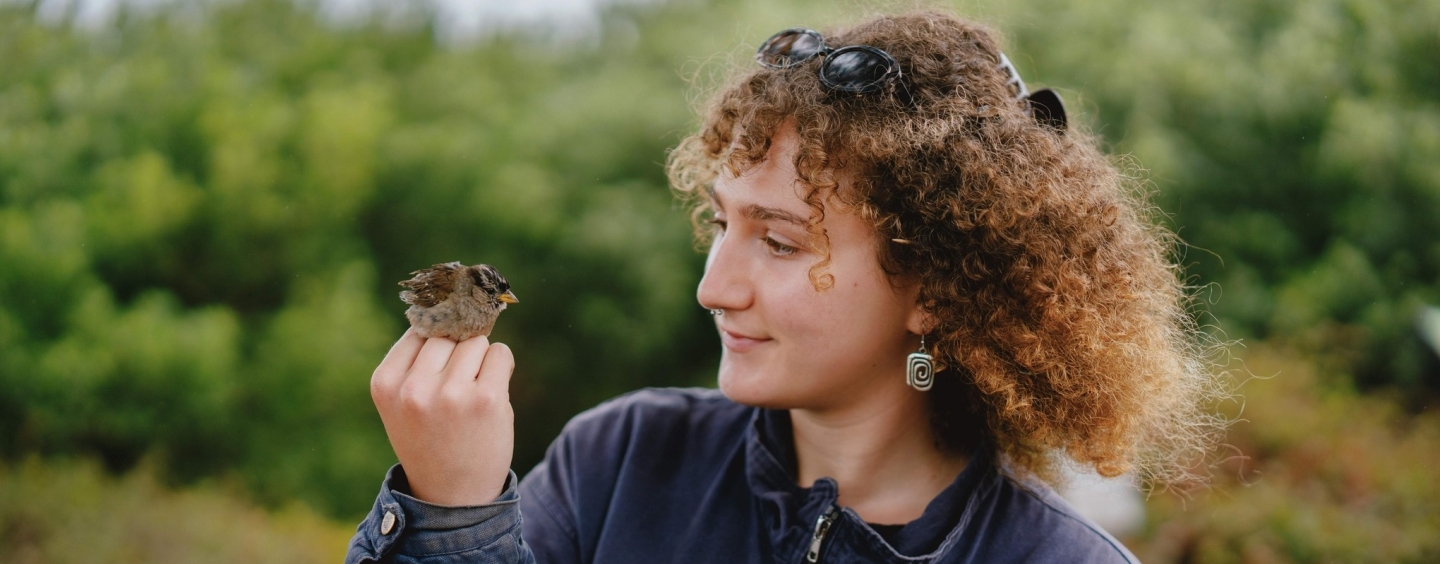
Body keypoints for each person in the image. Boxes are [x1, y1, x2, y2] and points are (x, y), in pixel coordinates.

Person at [347, 11, 1224, 563]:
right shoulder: (619, 462)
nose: (712, 288)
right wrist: (452, 516)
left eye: (777, 239)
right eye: (723, 222)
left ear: (934, 288)